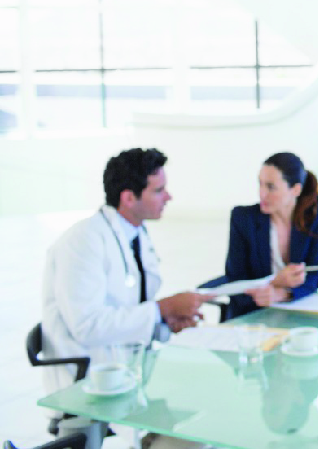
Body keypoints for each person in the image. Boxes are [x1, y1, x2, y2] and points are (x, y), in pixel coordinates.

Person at [40, 148, 209, 395]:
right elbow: (87, 326)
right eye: (159, 191)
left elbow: (129, 305)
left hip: (128, 366)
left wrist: (164, 322)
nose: (169, 197)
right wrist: (162, 309)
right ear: (129, 198)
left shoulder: (135, 233)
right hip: (90, 380)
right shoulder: (83, 241)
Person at [221, 152, 318, 318]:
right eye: (260, 184)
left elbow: (315, 274)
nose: (262, 193)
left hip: (299, 309)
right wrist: (274, 282)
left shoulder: (316, 212)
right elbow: (236, 283)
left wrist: (283, 294)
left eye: (271, 187)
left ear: (295, 190)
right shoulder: (243, 219)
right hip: (253, 316)